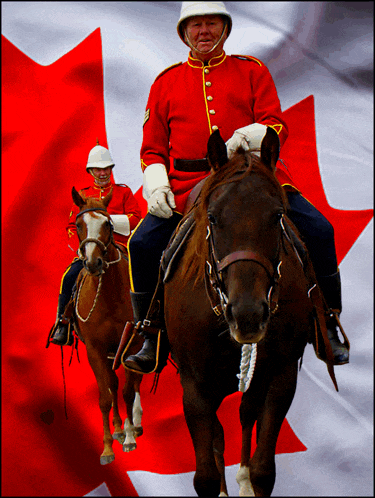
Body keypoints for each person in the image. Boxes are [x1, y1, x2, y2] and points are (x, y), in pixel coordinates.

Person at [124, 1, 349, 374]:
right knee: (142, 244)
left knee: (320, 230)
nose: (204, 32)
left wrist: (247, 136)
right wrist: (158, 185)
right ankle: (152, 334)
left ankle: (326, 323)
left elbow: (276, 124)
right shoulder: (165, 83)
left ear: (225, 29)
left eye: (212, 24)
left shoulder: (251, 71)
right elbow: (152, 149)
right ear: (184, 34)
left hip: (253, 177)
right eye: (195, 26)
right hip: (188, 186)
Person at [50, 142, 142, 346]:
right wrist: (83, 247)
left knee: (145, 275)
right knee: (69, 276)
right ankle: (62, 323)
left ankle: (152, 324)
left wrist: (106, 222)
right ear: (90, 171)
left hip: (120, 249)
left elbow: (136, 218)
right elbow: (72, 227)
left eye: (106, 168)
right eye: (98, 169)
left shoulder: (123, 193)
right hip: (91, 250)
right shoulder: (82, 195)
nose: (102, 173)